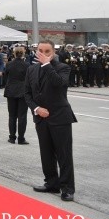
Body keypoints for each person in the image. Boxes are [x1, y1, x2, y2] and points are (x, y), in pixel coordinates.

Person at [24, 40, 76, 202]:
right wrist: (36, 109)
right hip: (41, 118)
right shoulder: (31, 69)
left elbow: (59, 84)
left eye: (47, 51)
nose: (43, 54)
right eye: (40, 50)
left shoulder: (63, 68)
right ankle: (51, 183)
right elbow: (27, 94)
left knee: (64, 155)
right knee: (46, 154)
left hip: (60, 117)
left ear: (53, 52)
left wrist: (47, 65)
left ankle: (67, 188)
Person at [3, 45, 30, 145]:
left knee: (12, 116)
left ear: (14, 53)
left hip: (11, 91)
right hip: (23, 91)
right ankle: (21, 138)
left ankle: (12, 137)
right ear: (23, 54)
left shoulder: (9, 64)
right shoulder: (27, 65)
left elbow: (5, 76)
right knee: (22, 116)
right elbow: (29, 79)